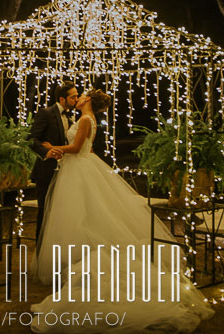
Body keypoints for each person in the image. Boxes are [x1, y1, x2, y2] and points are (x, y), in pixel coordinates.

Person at [31, 90, 213, 333]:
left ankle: (81, 267)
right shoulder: (85, 120)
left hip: (78, 169)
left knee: (82, 215)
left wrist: (54, 147)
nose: (79, 97)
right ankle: (76, 266)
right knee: (81, 216)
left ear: (87, 101)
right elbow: (87, 148)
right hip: (79, 168)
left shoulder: (85, 120)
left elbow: (76, 147)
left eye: (81, 95)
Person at [29, 81, 79, 244]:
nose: (76, 99)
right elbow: (31, 139)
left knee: (62, 211)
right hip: (46, 169)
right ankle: (40, 249)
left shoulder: (71, 115)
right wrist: (46, 152)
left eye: (77, 96)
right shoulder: (46, 113)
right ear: (62, 99)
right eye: (73, 97)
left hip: (65, 170)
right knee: (45, 210)